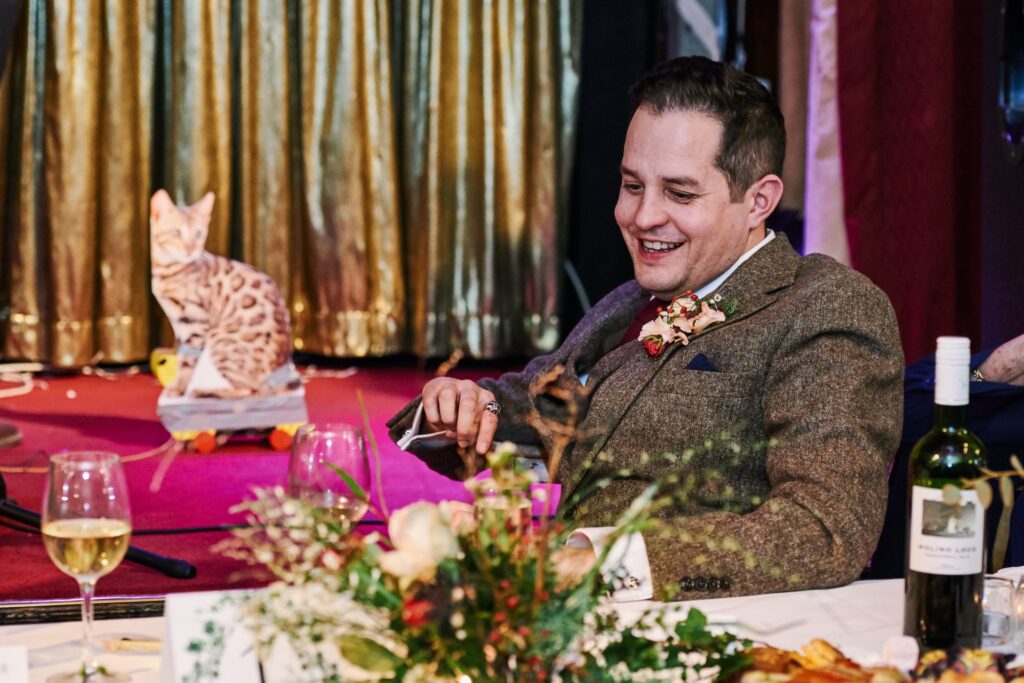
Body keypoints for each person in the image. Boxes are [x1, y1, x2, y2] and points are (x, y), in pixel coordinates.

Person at [387, 56, 904, 600]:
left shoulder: (827, 307)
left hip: (709, 636)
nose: (642, 216)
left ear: (758, 200)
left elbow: (822, 531)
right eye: (632, 185)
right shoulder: (632, 298)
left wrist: (606, 565)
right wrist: (467, 406)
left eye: (679, 194)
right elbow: (545, 405)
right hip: (565, 615)